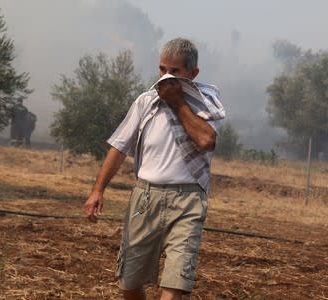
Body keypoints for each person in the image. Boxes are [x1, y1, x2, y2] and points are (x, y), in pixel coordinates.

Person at [85, 38, 225, 300]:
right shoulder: (145, 103)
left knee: (175, 282)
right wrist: (97, 191)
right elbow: (118, 148)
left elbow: (206, 141)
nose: (166, 77)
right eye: (162, 69)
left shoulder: (205, 103)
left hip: (188, 200)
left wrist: (177, 103)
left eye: (175, 71)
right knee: (129, 281)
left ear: (193, 74)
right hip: (145, 198)